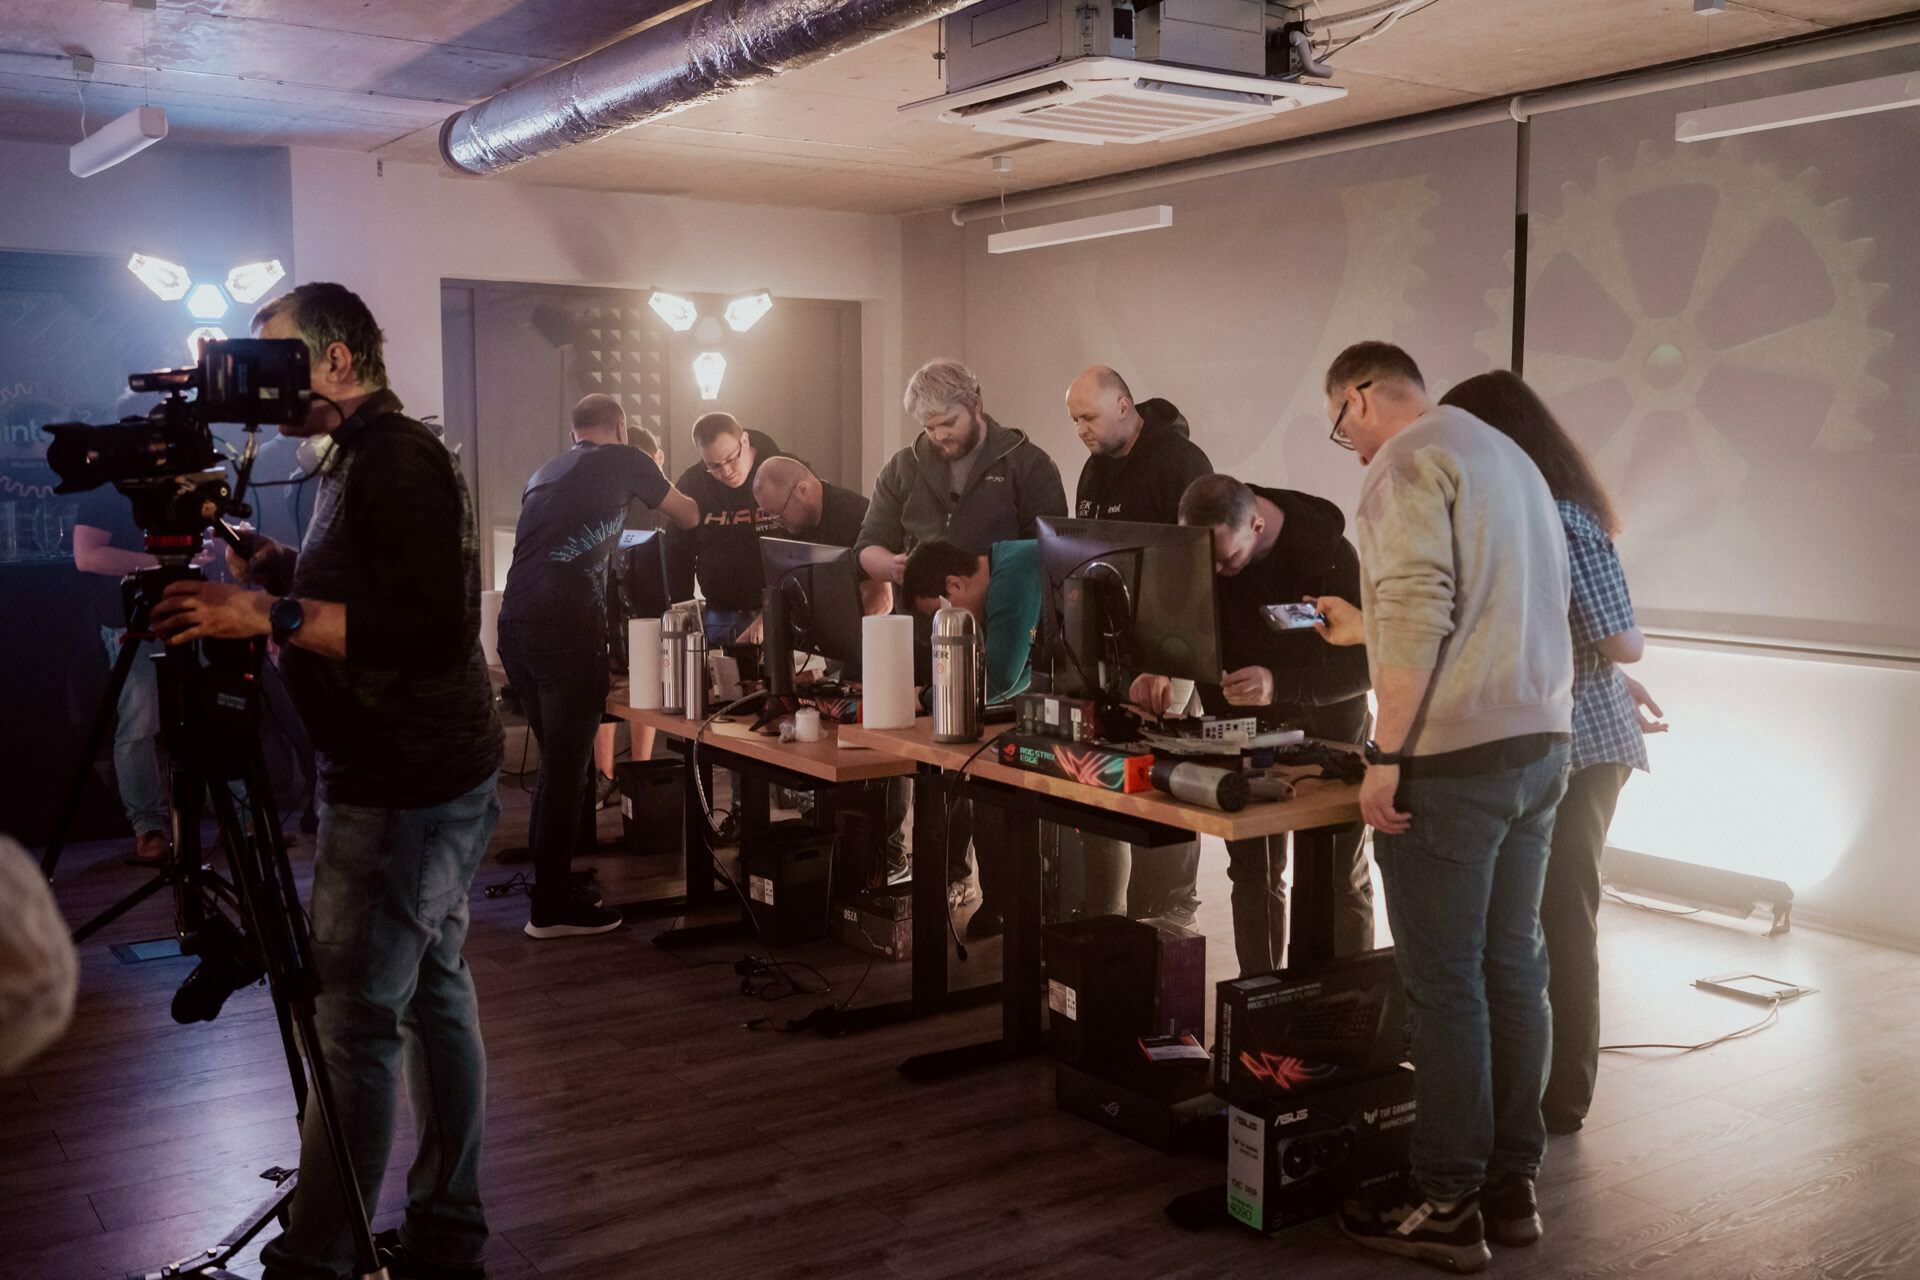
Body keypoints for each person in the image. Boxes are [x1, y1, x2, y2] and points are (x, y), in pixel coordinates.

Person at [152, 282, 504, 1280]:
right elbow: (380, 587)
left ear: (337, 359)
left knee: (352, 1015)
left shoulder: (398, 459)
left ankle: (319, 1257)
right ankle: (448, 1233)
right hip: (420, 768)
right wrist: (287, 566)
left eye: (276, 365)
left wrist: (266, 615)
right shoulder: (358, 455)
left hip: (405, 779)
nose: (262, 392)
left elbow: (431, 629)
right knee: (432, 991)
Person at [1318, 341, 1572, 1272]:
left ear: (1358, 398)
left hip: (1455, 759)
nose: (1345, 445)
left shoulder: (1406, 461)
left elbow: (1419, 606)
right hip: (1542, 747)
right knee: (1514, 969)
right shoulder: (1512, 458)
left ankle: (1445, 1201)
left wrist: (1384, 752)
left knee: (1448, 985)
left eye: (1338, 424)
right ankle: (1511, 1187)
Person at [1438, 370, 1667, 1136]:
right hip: (1543, 736)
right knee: (1525, 924)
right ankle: (1526, 1087)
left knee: (1560, 919)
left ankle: (1563, 1095)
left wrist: (1607, 665)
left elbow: (1620, 641)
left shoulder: (1563, 517)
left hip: (1584, 743)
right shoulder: (1521, 511)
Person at [1129, 474, 1374, 976]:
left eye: (1227, 560)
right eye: (1206, 561)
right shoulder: (1206, 544)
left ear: (1258, 525)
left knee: (1335, 878)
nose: (1216, 572)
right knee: (1253, 874)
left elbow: (1367, 666)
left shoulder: (1330, 557)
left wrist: (1279, 685)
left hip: (1328, 730)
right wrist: (1157, 662)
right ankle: (1256, 1000)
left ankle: (1347, 1006)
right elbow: (1177, 622)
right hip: (1239, 728)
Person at [856, 358, 1065, 937]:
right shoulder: (904, 467)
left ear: (976, 401)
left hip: (1006, 635)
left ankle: (1004, 898)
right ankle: (944, 876)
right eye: (928, 428)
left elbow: (1052, 553)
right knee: (938, 771)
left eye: (947, 422)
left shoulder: (1027, 463)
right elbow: (867, 546)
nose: (939, 436)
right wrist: (895, 567)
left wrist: (1001, 599)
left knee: (997, 776)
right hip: (930, 628)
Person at [498, 394, 699, 939]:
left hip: (513, 627)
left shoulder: (545, 471)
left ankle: (554, 886)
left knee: (559, 773)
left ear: (573, 436)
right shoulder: (629, 456)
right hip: (566, 630)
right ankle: (551, 911)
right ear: (622, 427)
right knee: (565, 776)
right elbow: (689, 513)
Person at [1064, 365, 1213, 928]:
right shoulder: (1093, 468)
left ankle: (1169, 908)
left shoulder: (1180, 464)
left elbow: (1193, 568)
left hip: (1171, 644)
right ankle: (1106, 916)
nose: (1081, 429)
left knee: (1167, 778)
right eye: (1075, 419)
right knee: (1103, 776)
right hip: (1109, 643)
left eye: (1090, 416)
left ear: (1125, 406)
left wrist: (1166, 664)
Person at [72, 473, 169, 866]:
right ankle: (149, 829)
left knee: (214, 713)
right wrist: (163, 563)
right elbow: (87, 556)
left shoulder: (186, 486)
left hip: (198, 612)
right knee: (140, 723)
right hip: (132, 622)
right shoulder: (109, 490)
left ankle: (245, 819)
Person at [594, 424, 671, 802]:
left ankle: (635, 774)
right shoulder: (613, 497)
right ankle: (606, 775)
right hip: (609, 597)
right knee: (611, 686)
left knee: (644, 690)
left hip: (649, 603)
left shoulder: (665, 501)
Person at [665, 412, 783, 645]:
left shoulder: (782, 471)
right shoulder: (692, 484)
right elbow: (677, 554)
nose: (726, 471)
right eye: (714, 466)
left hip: (776, 614)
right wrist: (686, 619)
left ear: (745, 441)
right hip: (718, 615)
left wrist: (773, 610)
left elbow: (807, 546)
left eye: (731, 459)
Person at [903, 536, 1043, 707]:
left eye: (937, 613)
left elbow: (999, 678)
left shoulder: (1011, 579)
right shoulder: (1007, 561)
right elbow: (1024, 676)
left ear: (954, 584)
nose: (941, 626)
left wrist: (925, 698)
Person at [753, 455, 892, 617]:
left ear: (802, 490)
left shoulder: (857, 517)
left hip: (870, 632)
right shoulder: (793, 524)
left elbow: (881, 600)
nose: (777, 523)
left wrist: (830, 628)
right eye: (770, 515)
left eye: (778, 513)